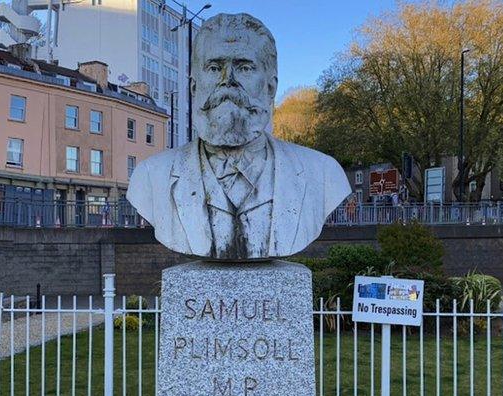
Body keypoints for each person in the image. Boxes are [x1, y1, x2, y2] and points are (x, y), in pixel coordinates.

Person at [126, 13, 351, 260]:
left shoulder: (323, 173)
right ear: (194, 86)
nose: (227, 81)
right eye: (214, 68)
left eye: (244, 67)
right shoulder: (150, 177)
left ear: (271, 87)